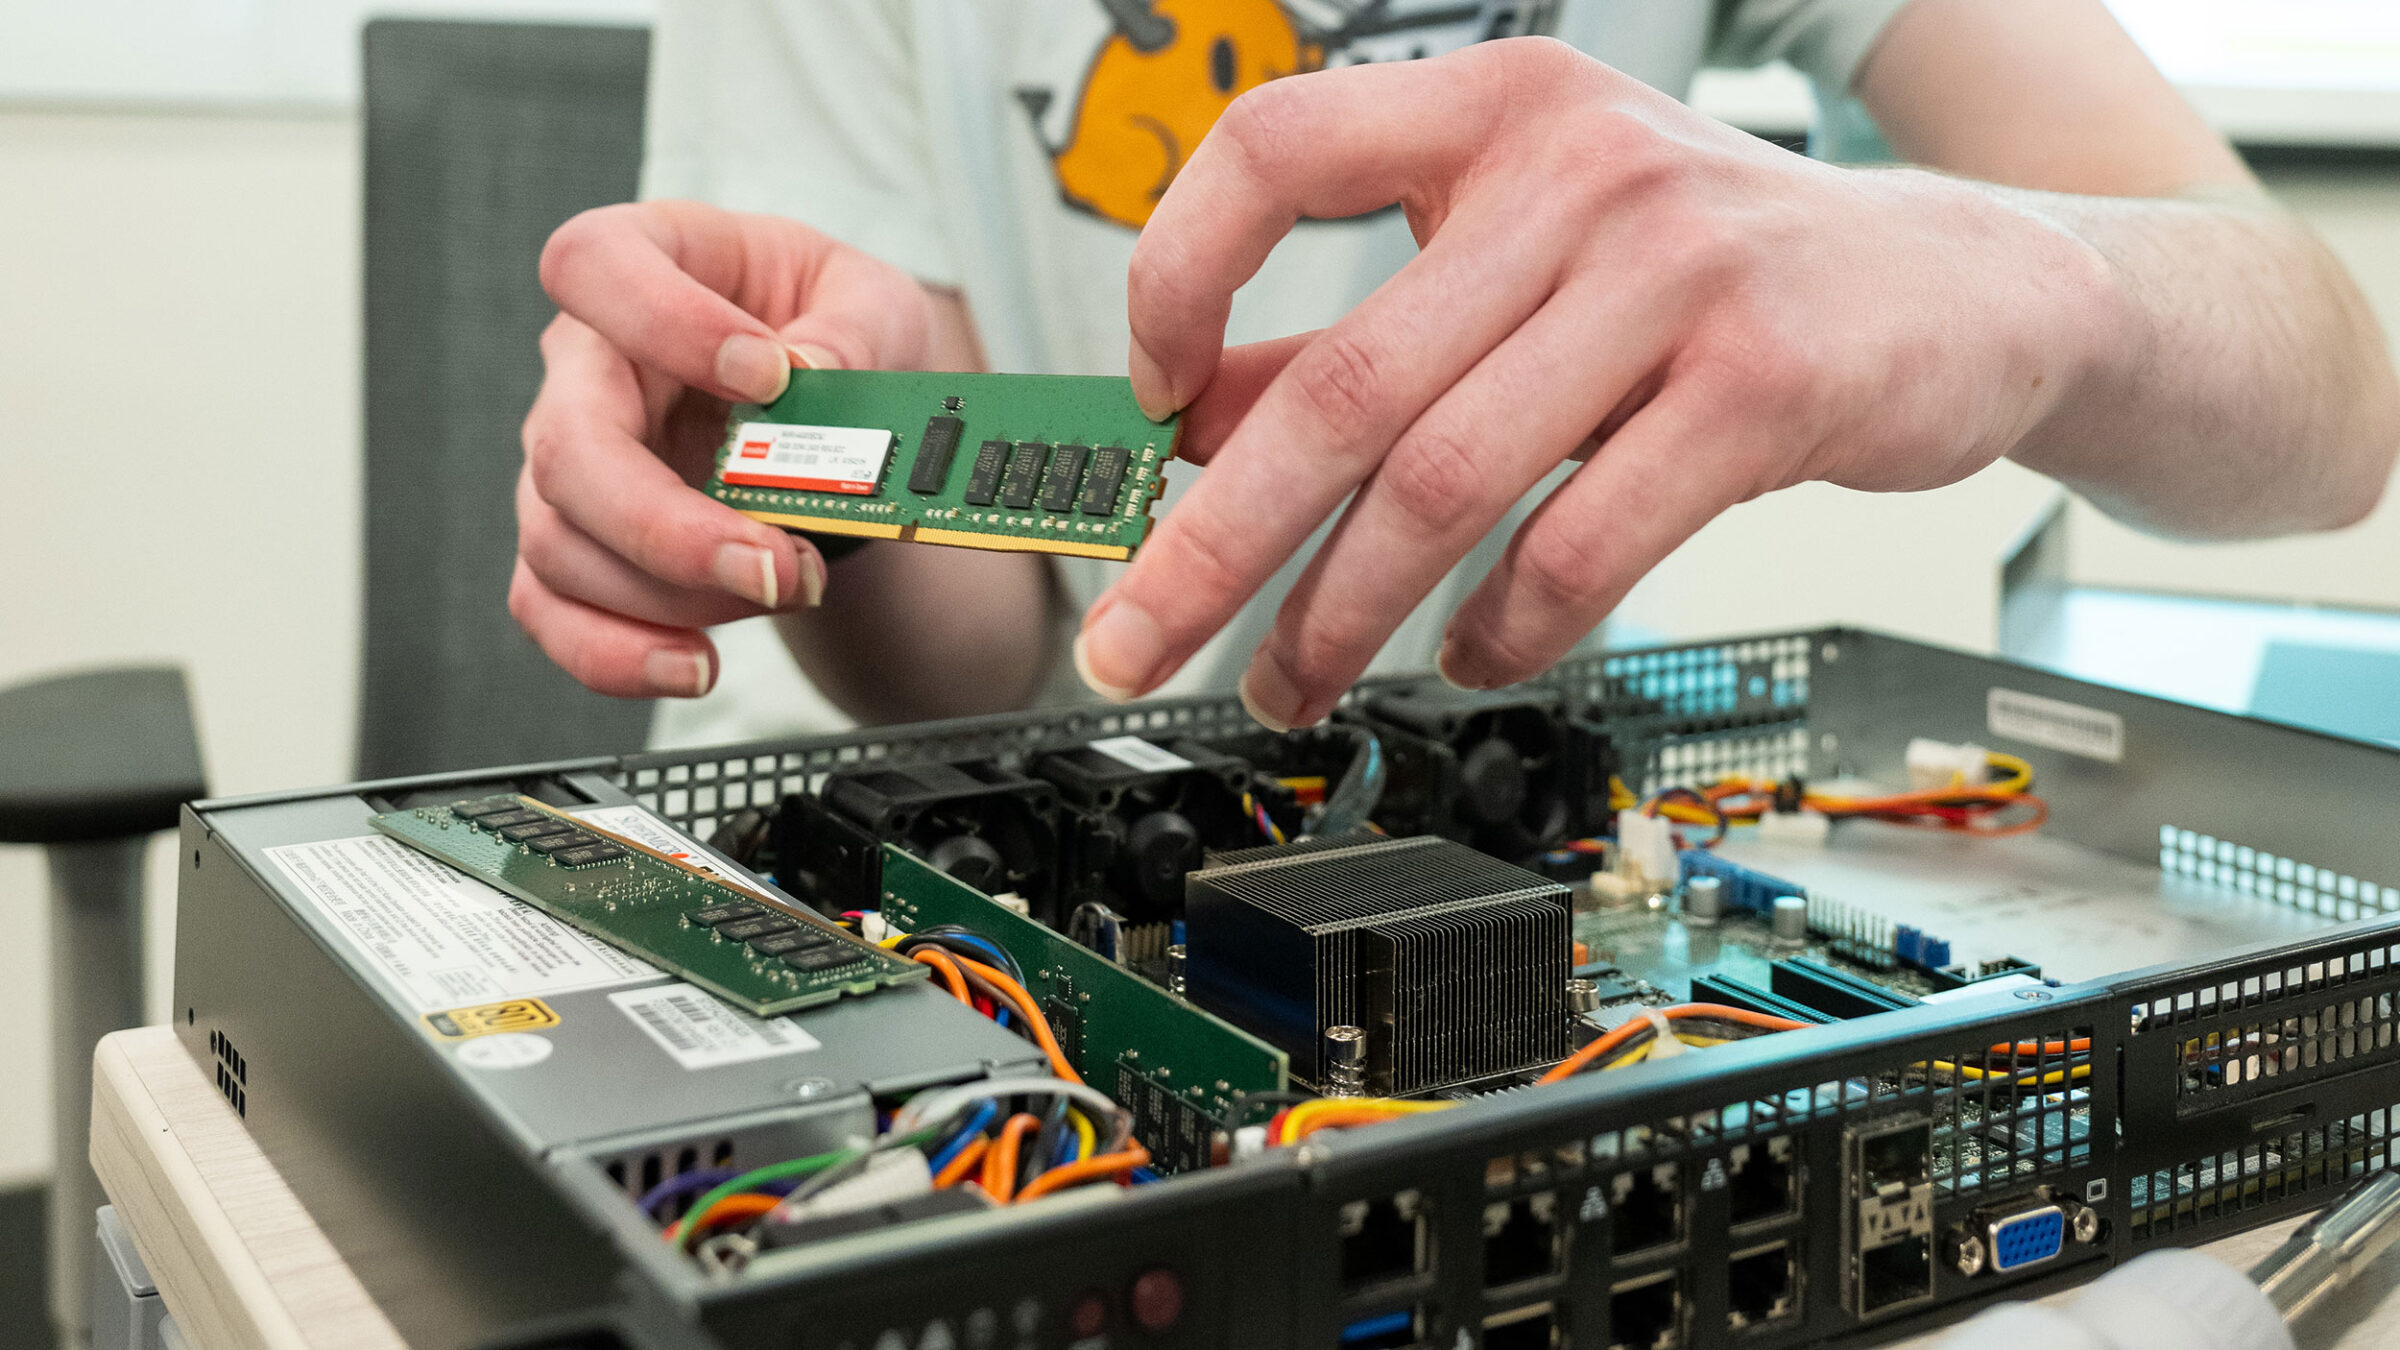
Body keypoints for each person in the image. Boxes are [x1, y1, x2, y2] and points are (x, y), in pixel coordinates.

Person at [513, 0, 2399, 736]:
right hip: (934, 892)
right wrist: (845, 434)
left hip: (1466, 841)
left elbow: (2331, 402)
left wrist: (2009, 273)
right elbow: (996, 660)